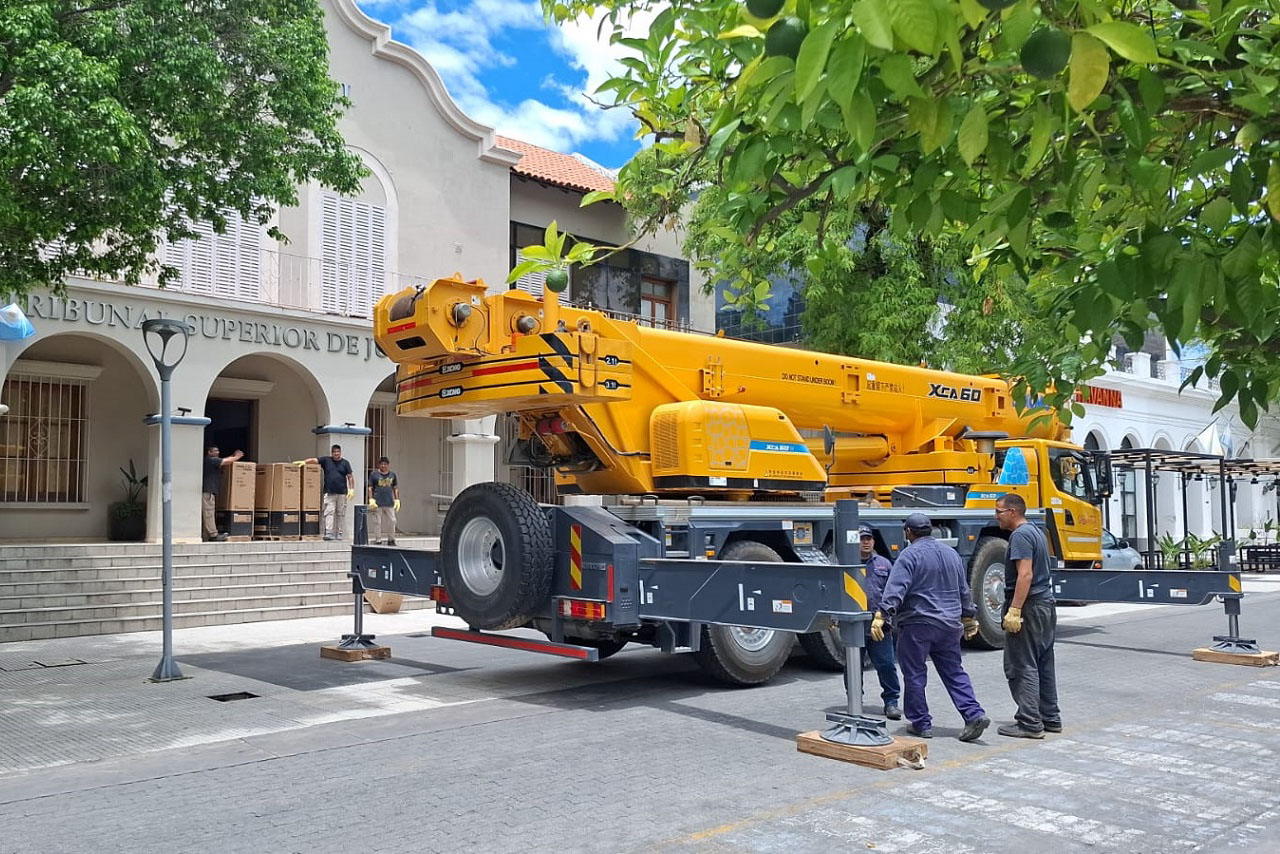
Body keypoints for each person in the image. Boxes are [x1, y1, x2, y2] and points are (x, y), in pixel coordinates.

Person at [873, 512, 989, 742]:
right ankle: (974, 714)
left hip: (918, 625)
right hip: (949, 625)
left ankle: (921, 723)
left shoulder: (909, 555)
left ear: (908, 532)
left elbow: (896, 589)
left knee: (915, 674)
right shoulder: (951, 554)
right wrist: (969, 617)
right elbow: (963, 590)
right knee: (954, 671)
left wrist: (882, 615)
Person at [994, 493, 1061, 738]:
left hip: (1030, 607)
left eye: (999, 511)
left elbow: (1025, 575)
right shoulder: (1035, 532)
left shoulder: (1020, 536)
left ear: (1013, 511)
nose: (996, 516)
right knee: (1043, 663)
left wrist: (1015, 609)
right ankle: (1050, 717)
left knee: (1022, 665)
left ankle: (1029, 722)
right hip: (1044, 605)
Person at [858, 524, 902, 720]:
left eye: (868, 539)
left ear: (874, 541)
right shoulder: (846, 564)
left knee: (886, 665)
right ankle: (855, 701)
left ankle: (891, 702)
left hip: (880, 626)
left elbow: (892, 593)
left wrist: (886, 617)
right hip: (855, 627)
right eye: (862, 539)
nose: (866, 542)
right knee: (853, 667)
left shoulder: (884, 564)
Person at [300, 445, 354, 541]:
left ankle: (339, 533)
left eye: (338, 452)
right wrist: (304, 462)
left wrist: (351, 489)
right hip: (329, 492)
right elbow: (315, 460)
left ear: (340, 452)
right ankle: (329, 532)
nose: (336, 453)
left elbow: (350, 476)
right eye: (334, 452)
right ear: (331, 453)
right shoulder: (326, 460)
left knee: (341, 513)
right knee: (329, 512)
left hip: (342, 493)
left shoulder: (345, 463)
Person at [201, 445, 244, 542]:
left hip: (209, 491)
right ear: (209, 452)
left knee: (208, 513)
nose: (218, 452)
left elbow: (224, 460)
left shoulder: (212, 461)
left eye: (218, 450)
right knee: (209, 513)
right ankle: (213, 535)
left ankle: (206, 535)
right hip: (208, 492)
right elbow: (225, 461)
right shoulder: (211, 460)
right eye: (215, 451)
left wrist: (232, 456)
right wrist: (237, 457)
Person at [366, 456, 400, 545]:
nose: (383, 466)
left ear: (388, 465)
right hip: (377, 503)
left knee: (392, 521)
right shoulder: (374, 474)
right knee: (377, 522)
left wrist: (397, 499)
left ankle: (391, 539)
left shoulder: (392, 475)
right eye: (381, 464)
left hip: (389, 502)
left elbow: (395, 488)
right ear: (379, 465)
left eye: (385, 464)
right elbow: (370, 487)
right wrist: (371, 499)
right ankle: (378, 539)